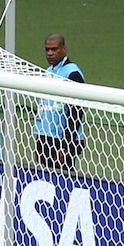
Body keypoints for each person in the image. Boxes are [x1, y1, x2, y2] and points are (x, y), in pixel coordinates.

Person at [34, 33, 86, 170]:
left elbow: (76, 112)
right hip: (47, 136)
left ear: (64, 49)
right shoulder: (47, 72)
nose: (50, 53)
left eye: (54, 49)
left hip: (63, 139)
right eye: (47, 49)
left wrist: (66, 145)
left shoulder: (73, 74)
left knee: (64, 177)